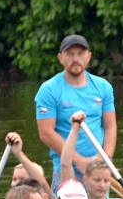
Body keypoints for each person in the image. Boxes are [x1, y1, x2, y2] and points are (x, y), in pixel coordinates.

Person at [35, 34, 117, 189]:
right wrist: (79, 161)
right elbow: (46, 133)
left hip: (99, 170)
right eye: (70, 54)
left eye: (80, 54)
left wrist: (105, 160)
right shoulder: (49, 90)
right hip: (66, 169)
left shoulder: (103, 87)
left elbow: (110, 126)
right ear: (60, 58)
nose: (76, 59)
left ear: (89, 57)